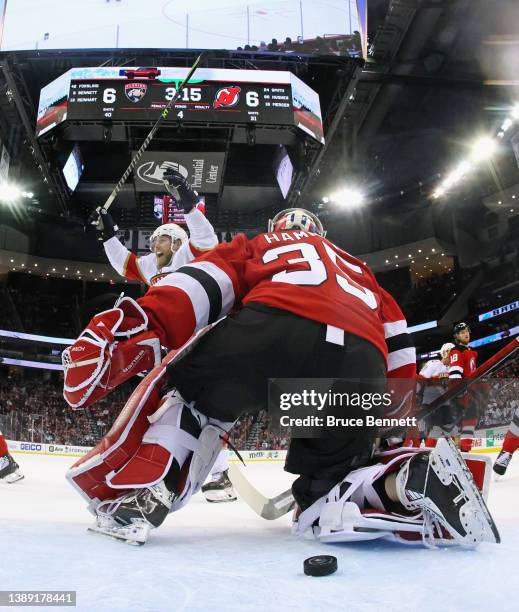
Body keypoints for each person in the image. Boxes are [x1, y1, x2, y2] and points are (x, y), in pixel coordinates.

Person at [63, 209, 498, 548]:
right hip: (357, 360)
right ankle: (403, 482)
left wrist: (148, 323)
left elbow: (204, 283)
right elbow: (400, 347)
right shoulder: (361, 272)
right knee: (324, 495)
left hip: (269, 330)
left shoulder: (260, 244)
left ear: (279, 226)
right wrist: (393, 427)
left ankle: (148, 494)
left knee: (197, 400)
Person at [94, 169, 236, 503]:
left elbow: (206, 239)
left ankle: (217, 473)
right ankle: (199, 470)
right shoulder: (151, 266)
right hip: (165, 345)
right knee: (166, 407)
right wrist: (108, 235)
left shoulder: (189, 254)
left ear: (175, 242)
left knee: (192, 407)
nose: (153, 242)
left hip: (195, 339)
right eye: (154, 237)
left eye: (160, 237)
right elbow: (123, 263)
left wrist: (188, 206)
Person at [448, 322, 479, 451]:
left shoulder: (469, 351)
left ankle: (464, 449)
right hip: (464, 392)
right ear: (457, 336)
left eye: (467, 331)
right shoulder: (456, 351)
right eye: (462, 332)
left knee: (470, 421)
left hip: (471, 391)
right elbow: (455, 374)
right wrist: (460, 394)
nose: (466, 334)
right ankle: (463, 450)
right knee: (467, 421)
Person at [493, 406, 519, 475]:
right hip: (514, 434)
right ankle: (499, 467)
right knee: (509, 446)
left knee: (509, 446)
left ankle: (499, 467)